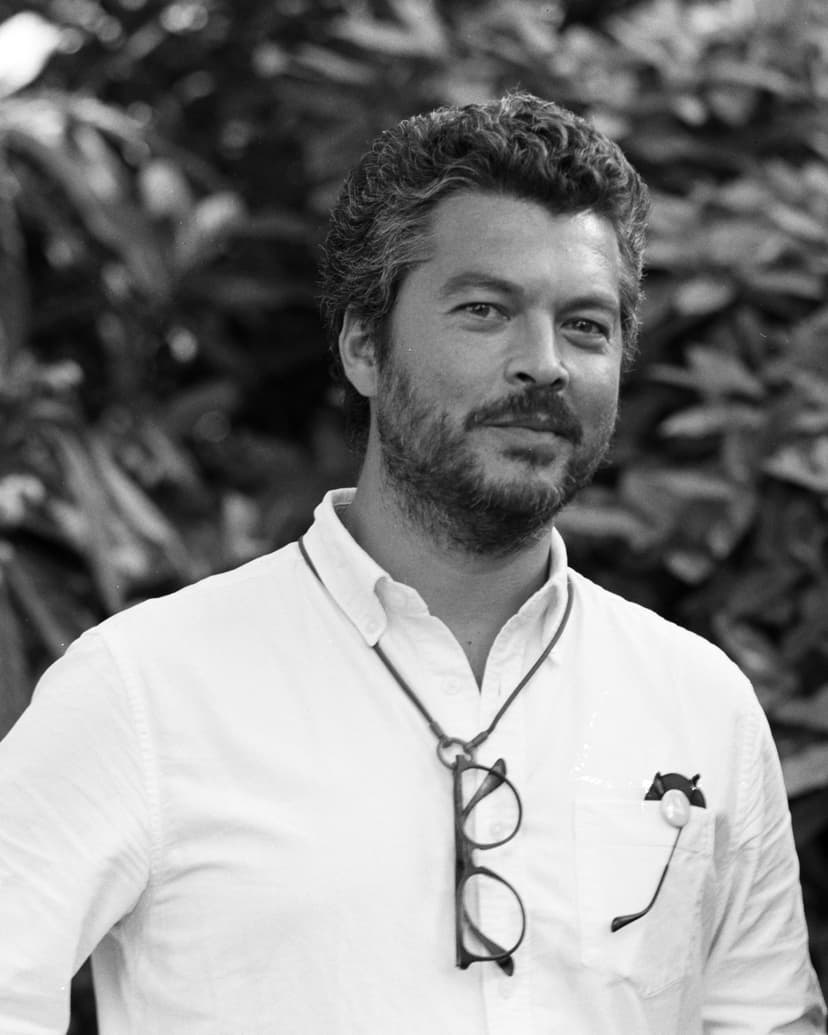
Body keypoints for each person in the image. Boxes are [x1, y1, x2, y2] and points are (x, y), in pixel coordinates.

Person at [0, 92, 824, 1035]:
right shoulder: (145, 690)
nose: (544, 364)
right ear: (363, 345)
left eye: (588, 325)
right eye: (486, 310)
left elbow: (765, 1020)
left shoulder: (699, 702)